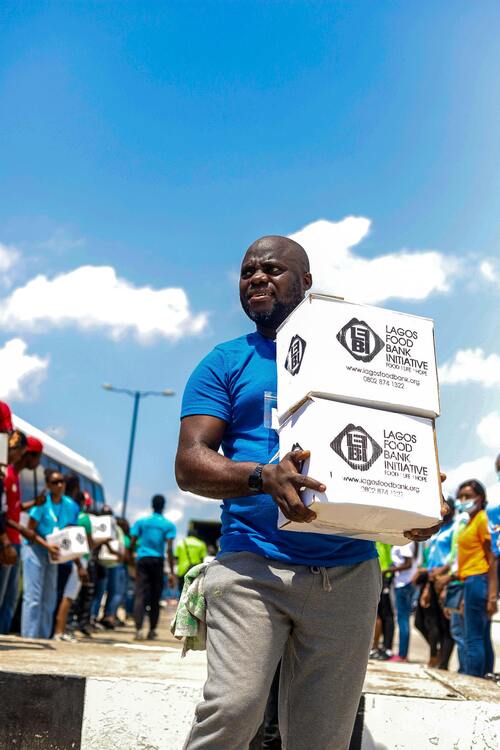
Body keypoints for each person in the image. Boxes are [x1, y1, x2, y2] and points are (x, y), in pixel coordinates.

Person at [175, 235, 444, 750]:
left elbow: (404, 439)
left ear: (306, 282)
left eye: (272, 269)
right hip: (252, 567)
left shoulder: (363, 360)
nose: (257, 277)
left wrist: (419, 500)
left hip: (348, 574)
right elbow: (190, 463)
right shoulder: (225, 361)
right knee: (233, 708)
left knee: (322, 737)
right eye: (248, 271)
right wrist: (263, 476)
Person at [21, 469, 80, 639]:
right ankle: (30, 636)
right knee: (33, 596)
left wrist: (70, 555)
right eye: (55, 482)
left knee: (49, 596)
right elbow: (30, 530)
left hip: (54, 552)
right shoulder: (42, 503)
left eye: (62, 481)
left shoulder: (70, 505)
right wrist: (47, 546)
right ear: (48, 485)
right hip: (36, 548)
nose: (60, 485)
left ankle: (43, 635)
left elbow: (70, 530)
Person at [0, 436, 44, 634]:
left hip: (15, 540)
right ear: (27, 455)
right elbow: (3, 514)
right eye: (38, 457)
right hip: (7, 540)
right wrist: (22, 530)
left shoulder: (15, 477)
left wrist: (34, 503)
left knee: (10, 597)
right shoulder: (7, 475)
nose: (39, 463)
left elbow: (14, 509)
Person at [455, 479, 497, 677]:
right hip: (471, 580)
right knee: (482, 635)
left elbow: (492, 557)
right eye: (461, 496)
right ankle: (485, 675)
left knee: (473, 637)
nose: (464, 500)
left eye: (468, 496)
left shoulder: (481, 519)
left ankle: (473, 679)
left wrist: (492, 595)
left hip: (478, 578)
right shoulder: (470, 521)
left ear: (480, 498)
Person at [414, 500, 456, 669]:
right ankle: (436, 655)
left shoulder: (455, 528)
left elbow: (455, 555)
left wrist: (445, 572)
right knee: (421, 621)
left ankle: (442, 662)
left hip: (445, 578)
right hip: (431, 578)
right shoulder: (439, 530)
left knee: (443, 625)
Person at [130, 494, 176, 640]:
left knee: (140, 594)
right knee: (155, 596)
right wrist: (172, 571)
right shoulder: (168, 525)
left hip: (142, 559)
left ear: (152, 505)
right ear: (163, 506)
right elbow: (169, 549)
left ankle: (138, 630)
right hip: (157, 561)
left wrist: (131, 557)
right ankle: (152, 630)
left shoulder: (142, 522)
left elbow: (132, 541)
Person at [389, 542, 417, 662]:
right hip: (403, 582)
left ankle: (402, 654)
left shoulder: (405, 542)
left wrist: (388, 570)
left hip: (404, 583)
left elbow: (408, 564)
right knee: (403, 619)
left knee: (403, 619)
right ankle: (402, 653)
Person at [370, 542, 394, 661]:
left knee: (381, 615)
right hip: (382, 573)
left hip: (384, 574)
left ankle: (378, 647)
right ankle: (378, 647)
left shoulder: (381, 537)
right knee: (381, 615)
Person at [175, 525, 208, 593]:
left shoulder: (180, 543)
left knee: (182, 590)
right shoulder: (201, 544)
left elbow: (176, 558)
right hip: (196, 570)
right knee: (194, 591)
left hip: (182, 570)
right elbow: (202, 559)